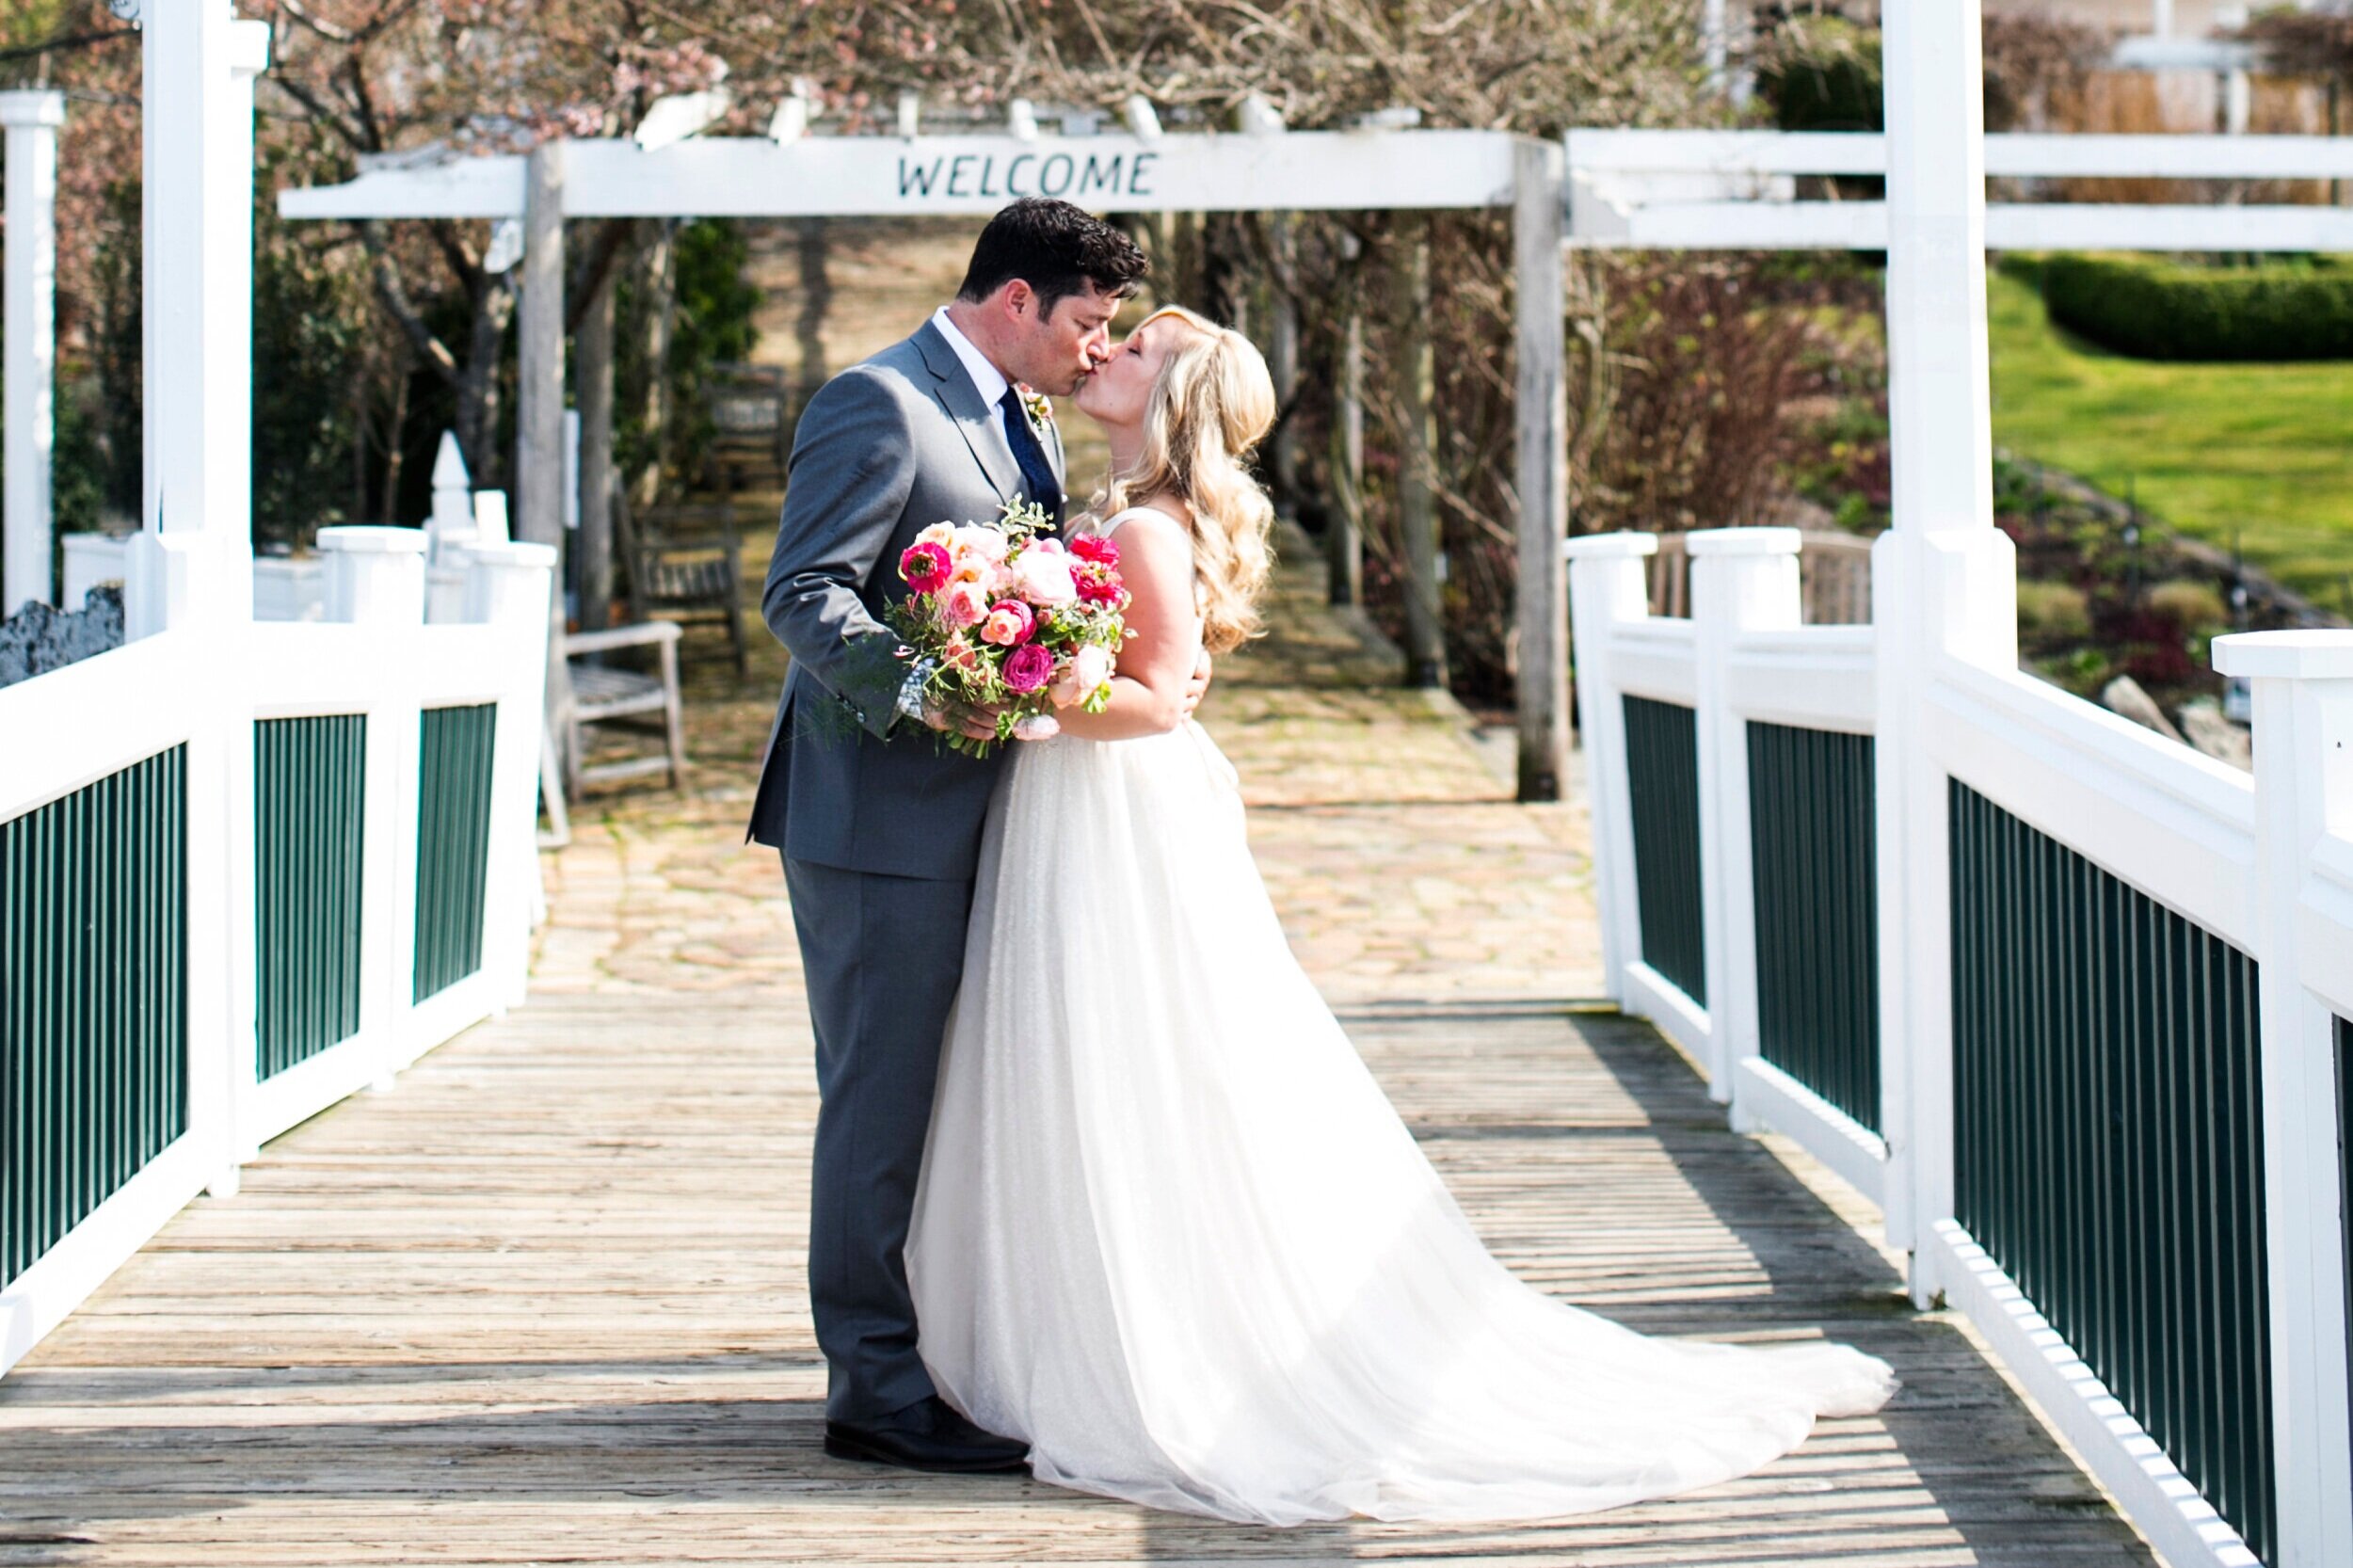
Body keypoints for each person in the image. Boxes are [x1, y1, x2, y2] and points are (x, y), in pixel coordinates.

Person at [902, 304, 1899, 1524]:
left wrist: (1017, 696)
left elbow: (1157, 700)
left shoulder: (1149, 532)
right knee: (1094, 1051)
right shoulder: (1112, 515)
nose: (1108, 352)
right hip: (1082, 804)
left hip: (1112, 803)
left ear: (1178, 402)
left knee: (1146, 1050)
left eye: (1143, 350)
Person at [749, 199, 1210, 1475]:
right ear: (1017, 302)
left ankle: (940, 1353)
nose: (1091, 347)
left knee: (950, 1104)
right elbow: (802, 590)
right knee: (879, 1105)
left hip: (985, 819)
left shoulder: (1022, 419)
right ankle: (874, 1392)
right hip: (875, 820)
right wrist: (924, 686)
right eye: (1083, 322)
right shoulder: (877, 402)